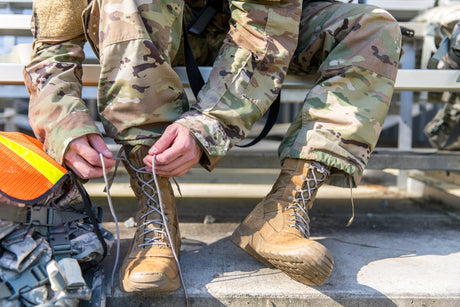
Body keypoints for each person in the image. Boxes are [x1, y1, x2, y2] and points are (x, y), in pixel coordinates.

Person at [24, 0, 401, 293]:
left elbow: (266, 25)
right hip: (145, 25)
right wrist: (64, 122)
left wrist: (208, 126)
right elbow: (54, 42)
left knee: (373, 29)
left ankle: (281, 212)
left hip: (252, 29)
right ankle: (156, 216)